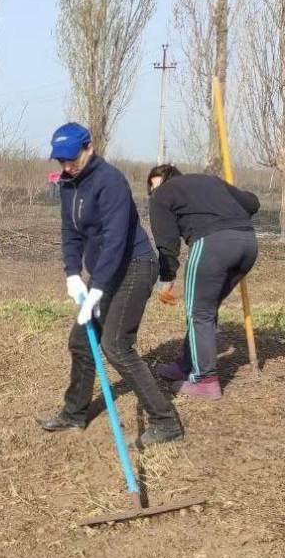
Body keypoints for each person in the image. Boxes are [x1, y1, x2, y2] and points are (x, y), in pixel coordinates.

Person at [36, 122, 183, 448]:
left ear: (90, 147)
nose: (67, 165)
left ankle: (165, 421)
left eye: (72, 158)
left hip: (134, 266)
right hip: (105, 270)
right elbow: (70, 233)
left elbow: (117, 241)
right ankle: (75, 413)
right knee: (81, 340)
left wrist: (97, 289)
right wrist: (72, 273)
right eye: (60, 160)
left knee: (116, 345)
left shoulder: (110, 181)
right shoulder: (68, 184)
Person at [146, 164, 260, 399]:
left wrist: (166, 278)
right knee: (205, 309)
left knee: (199, 312)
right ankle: (187, 365)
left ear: (166, 182)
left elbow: (167, 242)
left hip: (212, 245)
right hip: (247, 244)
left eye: (153, 187)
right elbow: (252, 202)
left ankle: (205, 381)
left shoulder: (161, 196)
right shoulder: (210, 182)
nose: (152, 192)